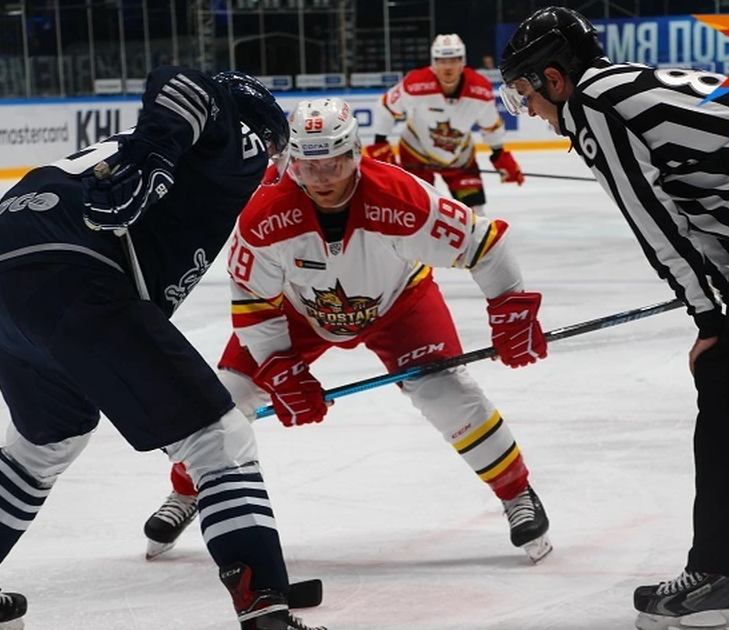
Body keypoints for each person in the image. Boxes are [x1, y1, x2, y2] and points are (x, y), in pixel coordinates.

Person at [0, 66, 327, 630]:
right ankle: (266, 608)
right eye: (275, 150)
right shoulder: (235, 142)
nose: (272, 165)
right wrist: (152, 157)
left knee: (49, 438)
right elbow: (183, 81)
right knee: (219, 439)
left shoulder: (152, 162)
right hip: (70, 273)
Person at [499, 6, 729, 630]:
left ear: (554, 78)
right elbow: (708, 204)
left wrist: (711, 320)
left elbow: (659, 224)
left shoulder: (592, 105)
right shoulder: (628, 83)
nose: (527, 109)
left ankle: (725, 573)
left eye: (525, 93)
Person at [141, 96, 553, 568]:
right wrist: (279, 366)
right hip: (298, 314)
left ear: (355, 153)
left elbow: (485, 246)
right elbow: (253, 300)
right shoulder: (265, 215)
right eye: (308, 166)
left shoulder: (401, 197)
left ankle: (516, 492)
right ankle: (187, 490)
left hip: (399, 304)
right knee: (227, 400)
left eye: (333, 164)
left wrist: (510, 310)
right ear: (292, 163)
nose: (322, 179)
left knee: (446, 393)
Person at [367, 33, 525, 217]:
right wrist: (380, 143)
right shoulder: (415, 84)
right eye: (442, 61)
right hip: (416, 156)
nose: (448, 66)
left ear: (462, 61)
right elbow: (385, 107)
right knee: (417, 212)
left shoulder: (480, 90)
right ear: (434, 62)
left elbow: (491, 126)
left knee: (474, 213)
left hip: (459, 159)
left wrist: (499, 155)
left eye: (453, 60)